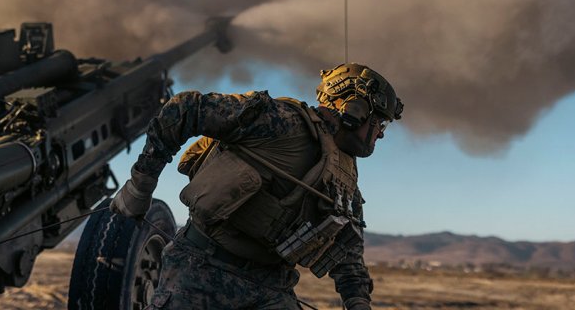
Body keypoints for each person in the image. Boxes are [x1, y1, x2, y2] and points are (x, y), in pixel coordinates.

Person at [110, 63, 403, 310]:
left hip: (272, 288)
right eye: (380, 123)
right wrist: (140, 187)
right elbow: (184, 110)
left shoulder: (344, 172)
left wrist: (358, 302)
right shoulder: (281, 121)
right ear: (356, 109)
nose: (381, 134)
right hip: (201, 272)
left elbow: (347, 251)